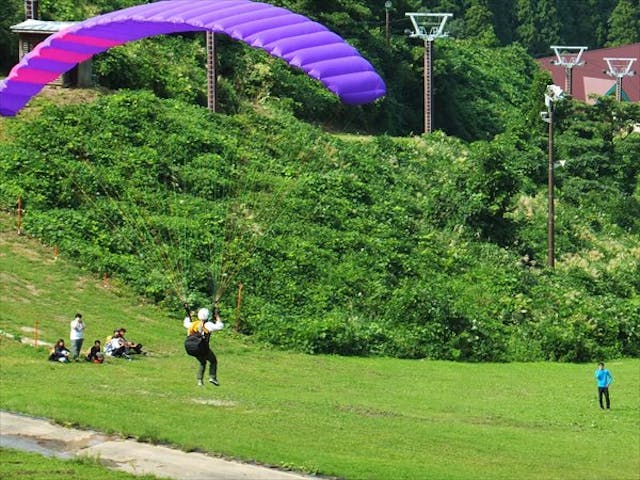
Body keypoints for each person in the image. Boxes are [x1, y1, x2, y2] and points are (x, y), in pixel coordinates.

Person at [184, 306, 224, 386]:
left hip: (191, 348)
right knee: (213, 361)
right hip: (202, 348)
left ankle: (200, 381)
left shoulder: (193, 324)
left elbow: (185, 323)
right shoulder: (207, 325)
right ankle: (212, 377)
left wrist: (189, 315)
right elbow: (220, 326)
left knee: (202, 362)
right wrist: (217, 316)